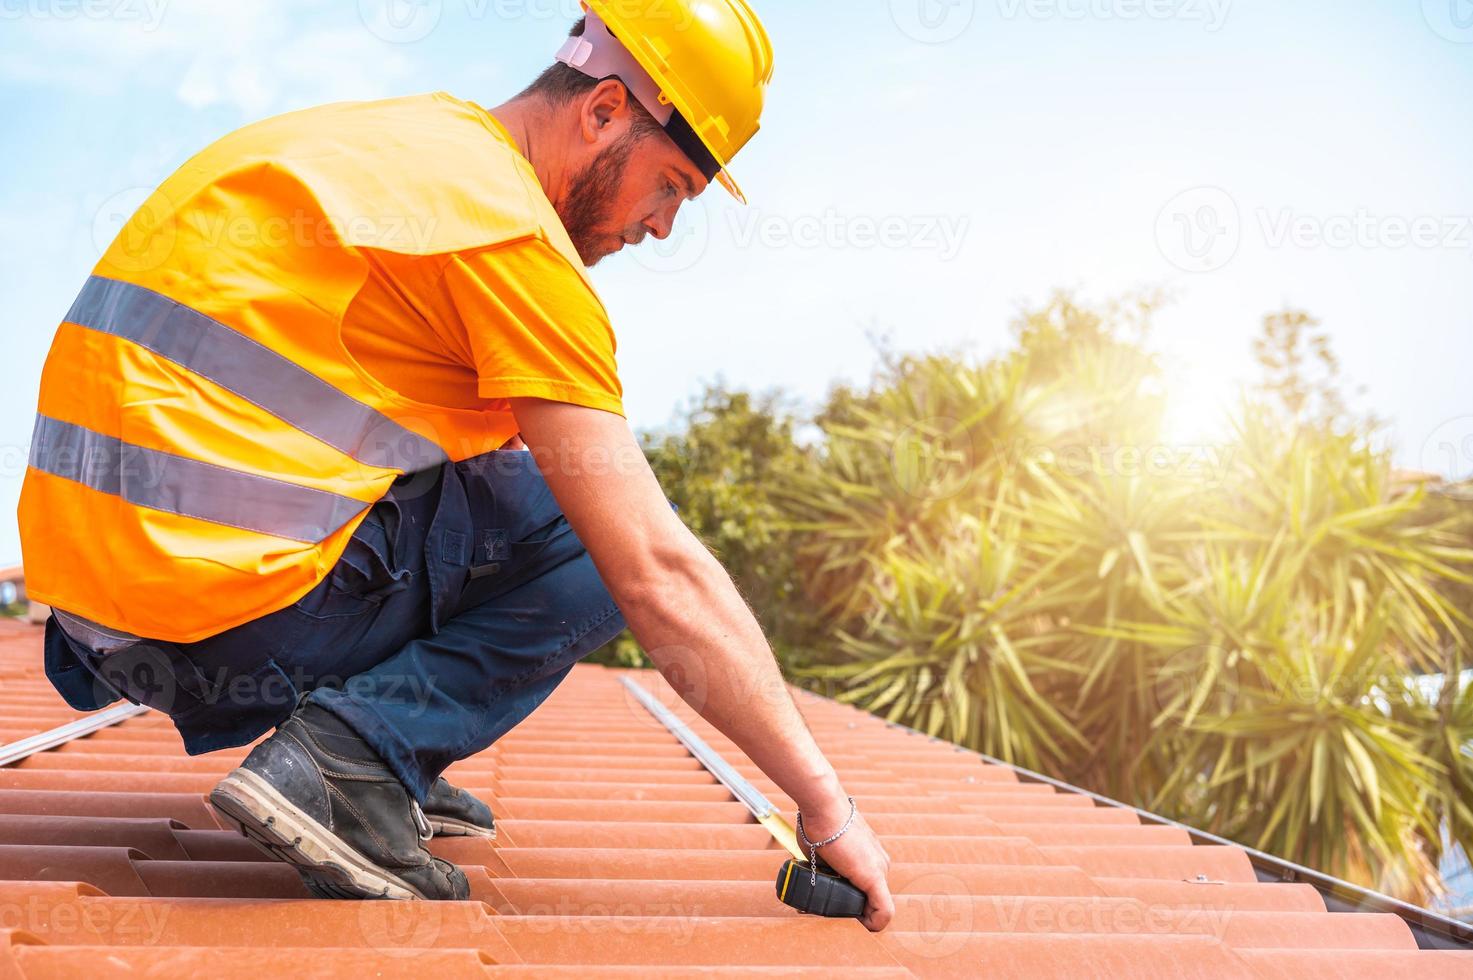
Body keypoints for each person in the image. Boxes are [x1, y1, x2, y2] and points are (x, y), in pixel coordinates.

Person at [21, 0, 894, 929]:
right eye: (670, 185)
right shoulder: (506, 234)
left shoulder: (397, 146)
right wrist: (825, 803)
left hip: (91, 625)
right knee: (592, 529)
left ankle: (383, 767)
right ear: (602, 112)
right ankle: (351, 761)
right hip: (209, 631)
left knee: (510, 482)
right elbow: (654, 572)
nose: (662, 227)